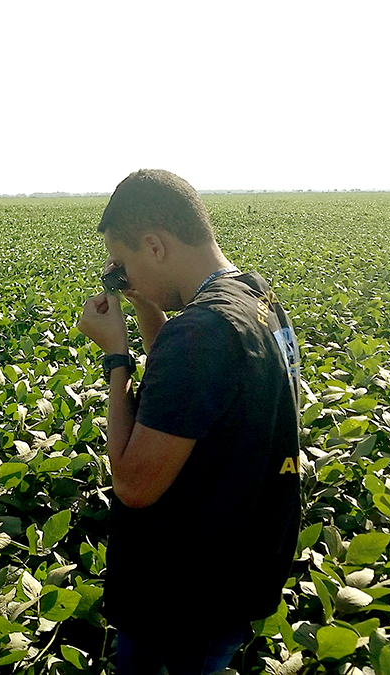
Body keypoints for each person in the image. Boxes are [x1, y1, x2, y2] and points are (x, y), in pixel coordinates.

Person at [76, 170, 302, 674]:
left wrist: (116, 358)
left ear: (154, 246)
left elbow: (134, 484)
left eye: (123, 264)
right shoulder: (253, 298)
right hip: (233, 575)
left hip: (184, 601)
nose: (121, 277)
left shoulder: (202, 332)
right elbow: (182, 392)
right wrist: (144, 303)